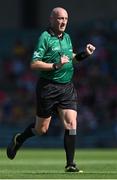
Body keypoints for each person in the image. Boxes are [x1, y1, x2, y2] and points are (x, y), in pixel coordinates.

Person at [7, 7, 96, 172]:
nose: (63, 22)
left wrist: (85, 54)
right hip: (48, 87)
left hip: (67, 87)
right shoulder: (45, 37)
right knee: (41, 129)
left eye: (66, 19)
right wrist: (55, 65)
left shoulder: (67, 37)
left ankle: (70, 164)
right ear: (51, 20)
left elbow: (71, 59)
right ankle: (19, 139)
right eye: (60, 18)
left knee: (71, 123)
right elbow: (34, 64)